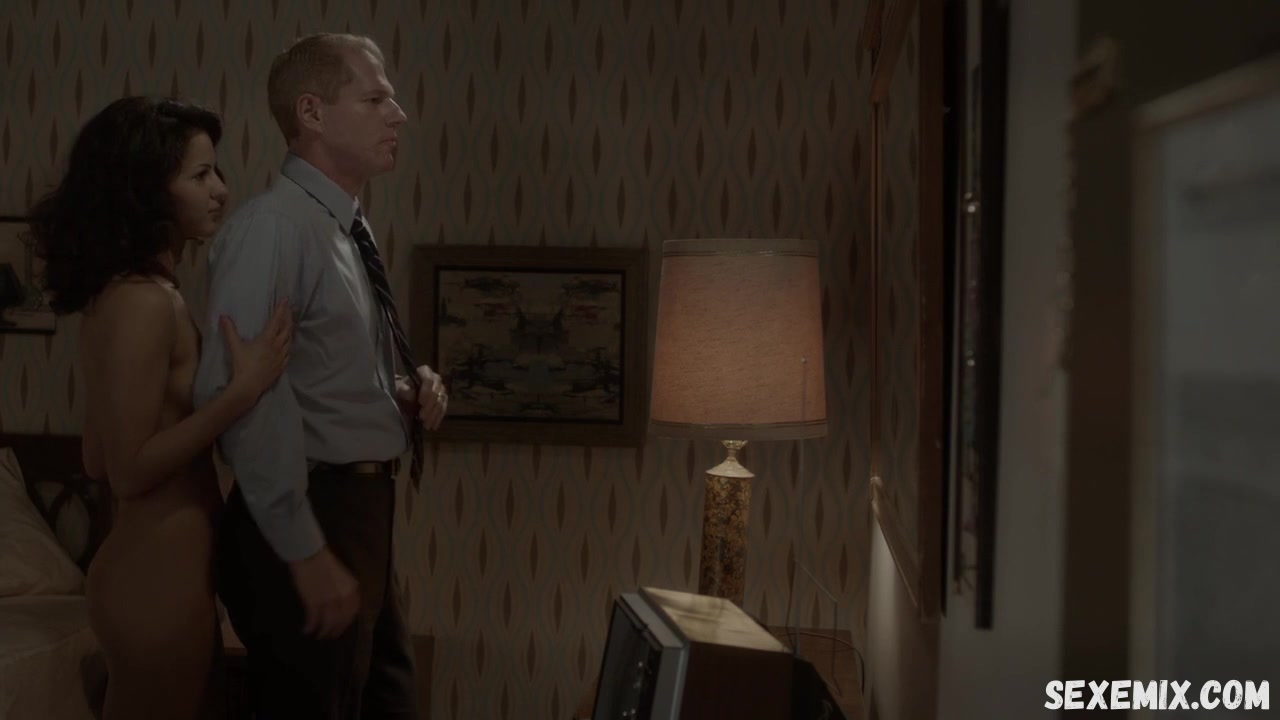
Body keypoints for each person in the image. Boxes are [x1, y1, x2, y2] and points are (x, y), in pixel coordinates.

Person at [193, 33, 447, 719]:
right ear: (311, 113)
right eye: (375, 98)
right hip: (310, 515)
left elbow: (320, 377)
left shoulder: (345, 229)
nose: (398, 114)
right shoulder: (274, 229)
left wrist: (403, 392)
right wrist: (305, 551)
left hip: (359, 515)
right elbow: (241, 400)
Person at [29, 96, 294, 720]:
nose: (221, 190)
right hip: (155, 581)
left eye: (216, 171)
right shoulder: (144, 302)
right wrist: (241, 393)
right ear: (145, 190)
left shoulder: (130, 295)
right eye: (200, 175)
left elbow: (96, 457)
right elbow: (125, 471)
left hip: (158, 576)